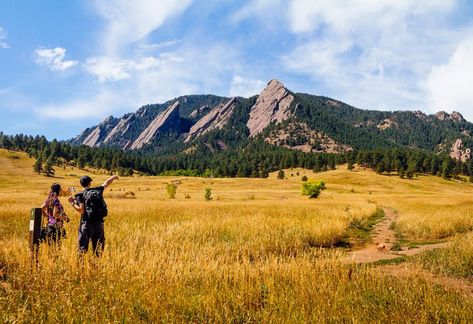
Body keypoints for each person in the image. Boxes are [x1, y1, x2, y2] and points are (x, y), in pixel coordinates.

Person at [68, 175, 118, 256]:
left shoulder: (80, 195)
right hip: (99, 223)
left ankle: (82, 266)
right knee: (98, 248)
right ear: (90, 183)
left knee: (83, 248)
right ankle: (97, 265)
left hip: (87, 223)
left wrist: (72, 203)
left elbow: (81, 210)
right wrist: (114, 177)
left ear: (81, 184)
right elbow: (106, 183)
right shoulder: (97, 190)